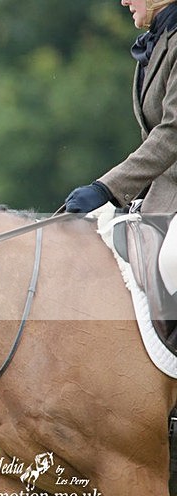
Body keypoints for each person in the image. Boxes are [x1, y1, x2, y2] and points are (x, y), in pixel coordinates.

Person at [64, 0, 177, 295]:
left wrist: (106, 188)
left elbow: (172, 133)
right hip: (162, 194)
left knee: (170, 262)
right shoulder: (164, 37)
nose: (124, 0)